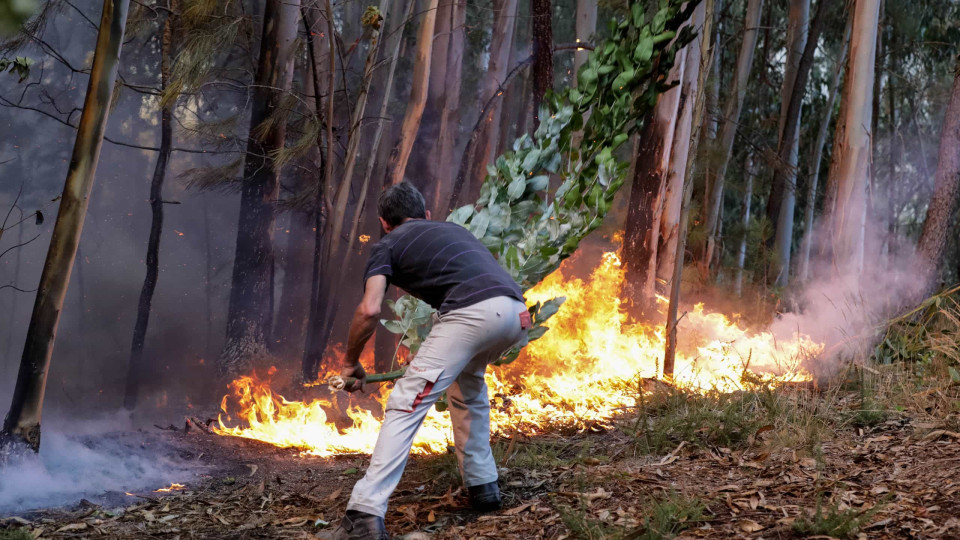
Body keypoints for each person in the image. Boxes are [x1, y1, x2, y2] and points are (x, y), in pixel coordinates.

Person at [329, 182, 530, 540]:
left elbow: (370, 309)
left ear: (384, 222)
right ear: (426, 215)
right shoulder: (452, 229)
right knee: (467, 386)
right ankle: (483, 486)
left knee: (406, 403)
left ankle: (364, 512)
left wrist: (349, 363)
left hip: (470, 314)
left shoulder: (387, 244)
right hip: (515, 313)